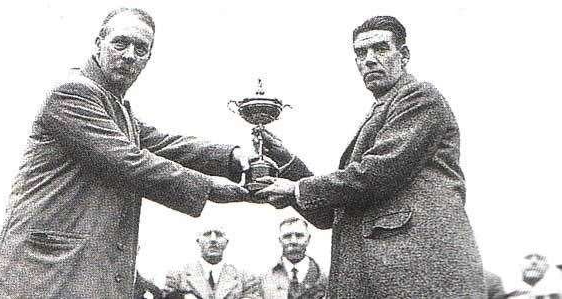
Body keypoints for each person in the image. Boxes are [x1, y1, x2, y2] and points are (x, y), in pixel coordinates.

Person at [0, 7, 251, 298]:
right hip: (41, 278)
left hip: (73, 274)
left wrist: (231, 157)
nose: (129, 54)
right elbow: (127, 161)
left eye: (141, 48)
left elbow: (163, 144)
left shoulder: (115, 106)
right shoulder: (72, 92)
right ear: (99, 44)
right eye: (120, 43)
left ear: (148, 59)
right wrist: (210, 188)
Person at [254, 15, 485, 297]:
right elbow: (330, 214)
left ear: (404, 55)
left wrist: (298, 189)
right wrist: (285, 163)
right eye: (361, 53)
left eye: (381, 49)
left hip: (417, 276)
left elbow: (377, 174)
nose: (370, 59)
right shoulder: (384, 110)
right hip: (377, 277)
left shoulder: (421, 97)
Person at [165, 225, 260, 299]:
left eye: (219, 234)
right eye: (207, 234)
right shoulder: (178, 276)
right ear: (198, 241)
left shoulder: (245, 278)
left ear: (226, 242)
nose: (213, 239)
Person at [260, 217, 326, 299]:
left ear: (308, 239)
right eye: (287, 236)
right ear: (280, 240)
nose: (293, 241)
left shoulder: (325, 275)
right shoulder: (264, 277)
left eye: (299, 236)